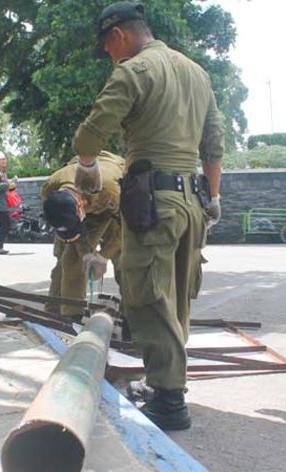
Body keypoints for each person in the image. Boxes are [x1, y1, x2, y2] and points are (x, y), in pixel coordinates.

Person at [72, 1, 224, 430]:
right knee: (175, 295)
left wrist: (87, 166)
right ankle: (165, 384)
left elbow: (89, 136)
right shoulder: (197, 73)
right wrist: (213, 198)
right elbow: (213, 147)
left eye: (106, 46)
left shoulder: (133, 71)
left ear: (118, 35)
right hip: (193, 202)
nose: (108, 55)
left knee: (147, 294)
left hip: (152, 203)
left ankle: (170, 401)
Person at [40, 151, 125, 318]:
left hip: (115, 206)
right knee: (70, 258)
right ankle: (68, 315)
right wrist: (86, 254)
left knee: (124, 259)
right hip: (86, 205)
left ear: (81, 205)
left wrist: (103, 256)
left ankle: (133, 316)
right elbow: (74, 232)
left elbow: (128, 229)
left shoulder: (112, 189)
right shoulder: (51, 188)